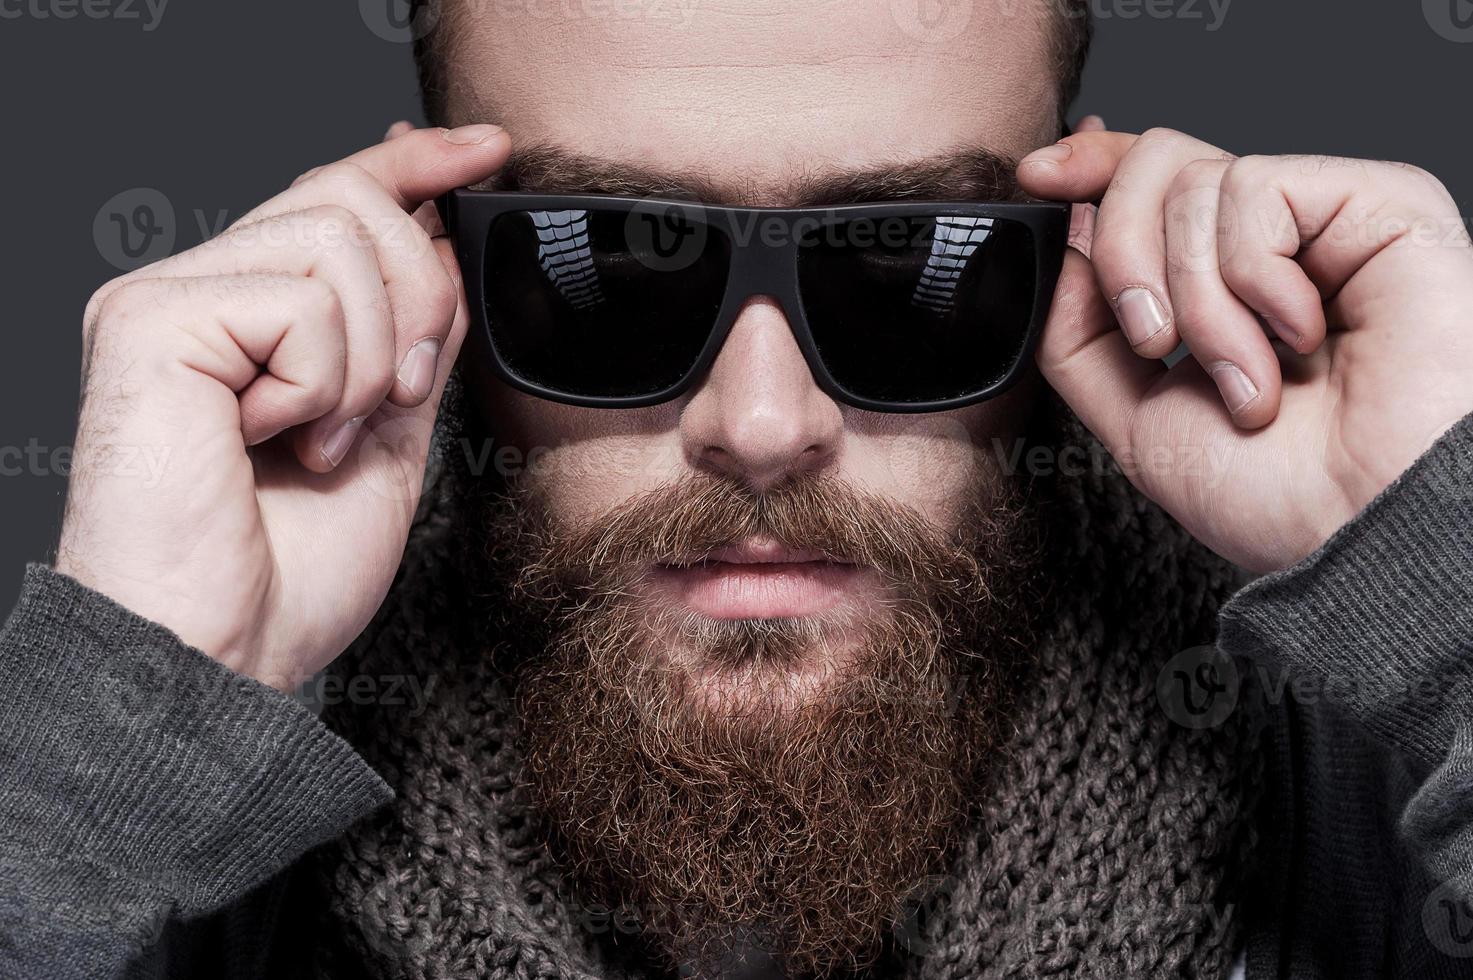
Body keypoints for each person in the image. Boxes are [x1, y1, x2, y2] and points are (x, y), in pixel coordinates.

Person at [3, 2, 1472, 978]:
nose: (761, 424)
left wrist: (1443, 580)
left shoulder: (1375, 798)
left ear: (1073, 253)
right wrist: (113, 741)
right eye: (600, 263)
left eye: (911, 266)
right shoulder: (174, 871)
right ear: (421, 250)